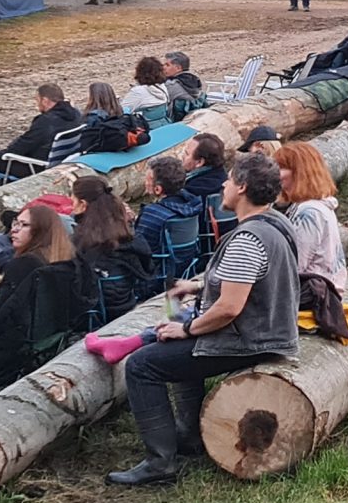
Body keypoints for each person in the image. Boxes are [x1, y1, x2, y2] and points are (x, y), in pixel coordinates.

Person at [108, 153, 301, 485]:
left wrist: (186, 328)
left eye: (229, 179)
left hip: (250, 339)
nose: (223, 184)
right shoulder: (275, 222)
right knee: (178, 353)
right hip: (269, 330)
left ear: (242, 187)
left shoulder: (248, 239)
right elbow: (252, 281)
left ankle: (160, 463)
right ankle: (190, 435)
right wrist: (198, 287)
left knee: (142, 365)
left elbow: (228, 309)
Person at [0, 203, 88, 394]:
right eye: (15, 222)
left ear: (41, 231)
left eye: (24, 225)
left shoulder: (25, 264)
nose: (14, 229)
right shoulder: (66, 258)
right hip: (46, 336)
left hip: (8, 342)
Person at [71, 175, 156, 317]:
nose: (71, 204)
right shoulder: (127, 233)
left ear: (83, 204)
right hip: (127, 299)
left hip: (97, 310)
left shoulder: (82, 240)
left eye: (73, 200)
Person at [272, 141, 348, 296]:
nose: (275, 174)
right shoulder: (311, 206)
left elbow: (296, 264)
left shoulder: (309, 213)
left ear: (299, 173)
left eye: (281, 168)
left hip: (312, 296)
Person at [0, 84, 82, 191]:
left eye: (37, 100)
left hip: (39, 166)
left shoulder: (46, 121)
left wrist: (6, 152)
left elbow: (20, 147)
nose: (37, 104)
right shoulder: (75, 114)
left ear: (45, 101)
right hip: (62, 161)